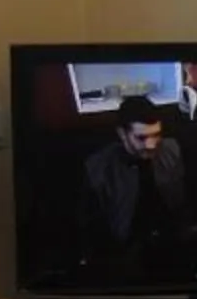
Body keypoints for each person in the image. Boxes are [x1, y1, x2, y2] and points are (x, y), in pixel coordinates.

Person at [81, 96, 189, 257]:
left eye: (156, 134)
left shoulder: (171, 150)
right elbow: (92, 227)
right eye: (141, 137)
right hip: (126, 248)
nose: (152, 145)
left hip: (172, 238)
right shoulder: (100, 168)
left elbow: (183, 199)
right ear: (122, 134)